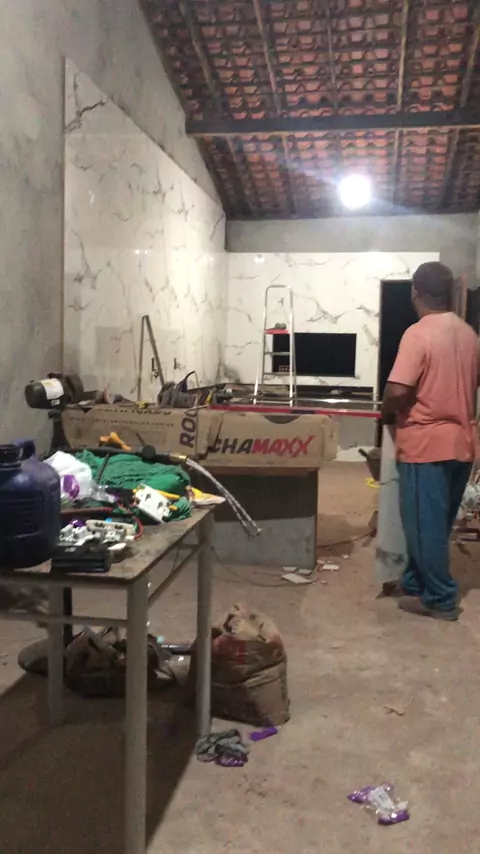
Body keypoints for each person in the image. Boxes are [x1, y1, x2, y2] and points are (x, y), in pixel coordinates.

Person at [382, 261, 478, 620]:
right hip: (462, 443)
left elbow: (398, 389)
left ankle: (440, 598)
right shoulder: (468, 334)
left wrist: (386, 412)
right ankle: (415, 582)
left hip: (426, 445)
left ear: (415, 291)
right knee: (435, 524)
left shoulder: (418, 333)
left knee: (424, 527)